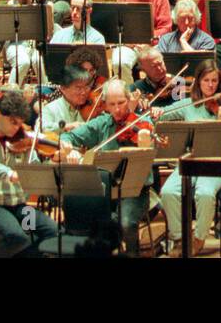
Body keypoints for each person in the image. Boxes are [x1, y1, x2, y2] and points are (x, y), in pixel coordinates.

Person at [59, 79, 156, 254]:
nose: (117, 109)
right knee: (84, 221)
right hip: (104, 192)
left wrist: (145, 140)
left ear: (129, 100)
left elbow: (149, 152)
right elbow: (68, 137)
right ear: (105, 105)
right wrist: (68, 148)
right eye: (112, 104)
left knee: (125, 223)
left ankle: (132, 254)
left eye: (121, 103)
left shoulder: (142, 123)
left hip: (135, 192)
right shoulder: (102, 123)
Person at [0, 90, 60, 257]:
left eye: (20, 123)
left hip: (18, 206)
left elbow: (35, 168)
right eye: (13, 122)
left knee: (51, 231)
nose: (17, 128)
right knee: (17, 236)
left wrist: (53, 161)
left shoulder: (22, 139)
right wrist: (9, 173)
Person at [157, 60, 221, 256]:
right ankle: (179, 237)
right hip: (190, 163)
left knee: (205, 194)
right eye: (206, 80)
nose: (211, 85)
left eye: (214, 81)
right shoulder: (187, 105)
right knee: (168, 191)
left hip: (216, 164)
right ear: (198, 81)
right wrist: (156, 111)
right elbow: (161, 116)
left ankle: (199, 238)